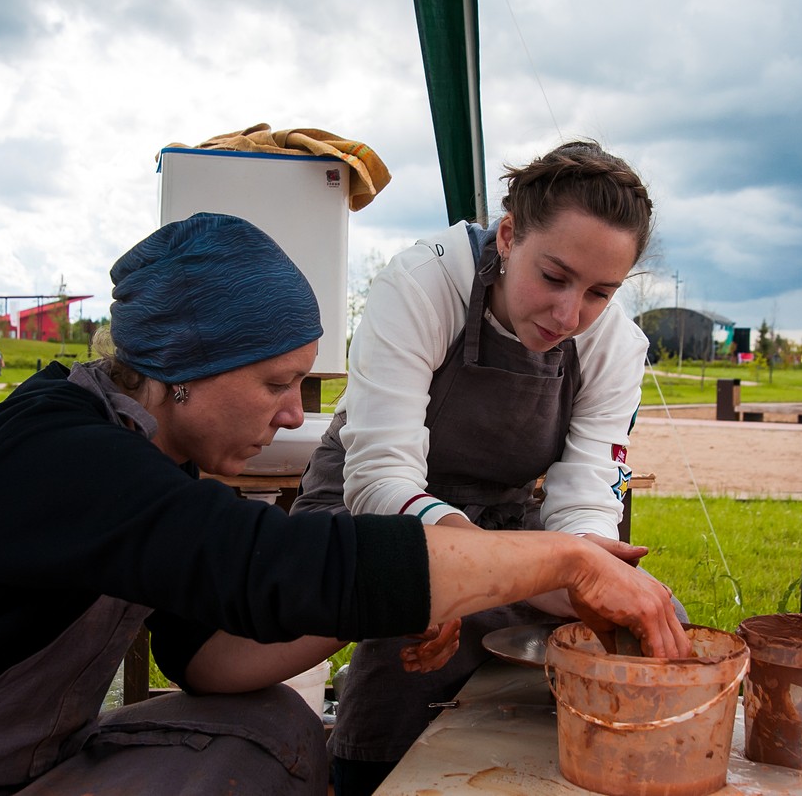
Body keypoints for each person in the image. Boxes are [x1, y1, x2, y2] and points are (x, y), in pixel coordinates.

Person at [0, 213, 688, 796]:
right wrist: (566, 558)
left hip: (9, 758)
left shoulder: (145, 446)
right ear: (182, 370)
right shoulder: (58, 454)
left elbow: (204, 655)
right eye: (277, 383)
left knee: (272, 729)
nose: (291, 414)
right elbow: (271, 567)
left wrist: (422, 590)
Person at [292, 140, 687, 794]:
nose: (570, 315)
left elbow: (584, 499)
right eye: (554, 277)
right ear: (508, 236)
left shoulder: (615, 344)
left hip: (505, 520)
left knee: (571, 658)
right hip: (370, 506)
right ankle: (365, 773)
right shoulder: (422, 284)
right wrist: (473, 568)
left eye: (600, 293)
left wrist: (599, 572)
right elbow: (381, 478)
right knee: (405, 655)